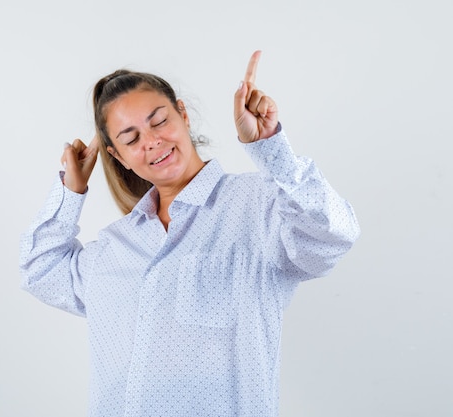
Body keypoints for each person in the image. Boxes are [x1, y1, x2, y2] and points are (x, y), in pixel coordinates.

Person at [19, 50, 360, 417]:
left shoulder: (257, 206)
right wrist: (70, 191)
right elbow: (40, 271)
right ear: (117, 156)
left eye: (159, 121)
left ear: (182, 114)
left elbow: (331, 235)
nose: (151, 141)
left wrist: (270, 148)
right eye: (131, 139)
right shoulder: (115, 246)